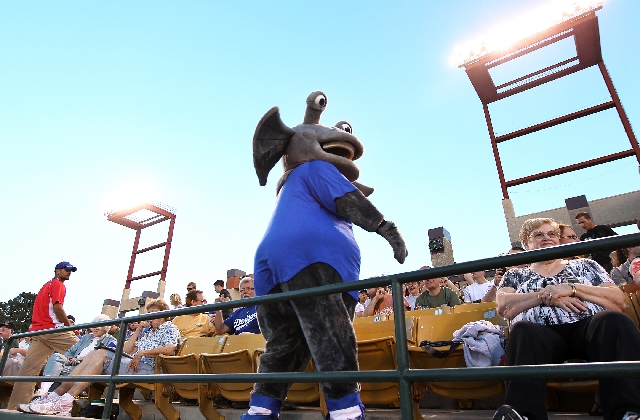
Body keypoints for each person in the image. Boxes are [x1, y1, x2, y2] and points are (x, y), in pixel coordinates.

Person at [492, 218, 640, 420]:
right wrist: (545, 296)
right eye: (538, 235)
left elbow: (618, 300)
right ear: (526, 243)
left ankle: (629, 412)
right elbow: (503, 307)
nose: (547, 238)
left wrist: (571, 288)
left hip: (588, 327)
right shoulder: (515, 275)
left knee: (614, 320)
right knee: (521, 330)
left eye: (552, 234)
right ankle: (524, 414)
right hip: (541, 334)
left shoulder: (585, 265)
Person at [21, 300, 180, 416]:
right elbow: (125, 350)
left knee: (101, 354)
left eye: (154, 313)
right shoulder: (147, 332)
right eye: (148, 313)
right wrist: (138, 329)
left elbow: (170, 349)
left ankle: (65, 400)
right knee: (94, 353)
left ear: (164, 314)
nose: (150, 316)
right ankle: (55, 396)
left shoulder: (169, 327)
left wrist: (142, 353)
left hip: (151, 369)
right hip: (131, 365)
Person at [7, 261, 79, 410]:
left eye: (71, 270)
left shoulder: (45, 286)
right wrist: (69, 326)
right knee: (86, 350)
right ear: (57, 271)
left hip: (38, 332)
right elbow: (58, 308)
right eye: (66, 269)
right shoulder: (58, 284)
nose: (69, 272)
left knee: (28, 371)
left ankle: (14, 407)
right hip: (52, 329)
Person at [38, 314, 116, 396]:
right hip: (72, 362)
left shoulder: (111, 341)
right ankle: (44, 391)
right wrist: (69, 356)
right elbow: (71, 350)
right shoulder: (87, 337)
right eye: (94, 326)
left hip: (86, 367)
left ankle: (47, 396)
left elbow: (103, 358)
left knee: (55, 370)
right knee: (57, 357)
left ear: (106, 328)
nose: (95, 328)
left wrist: (81, 359)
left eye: (99, 326)